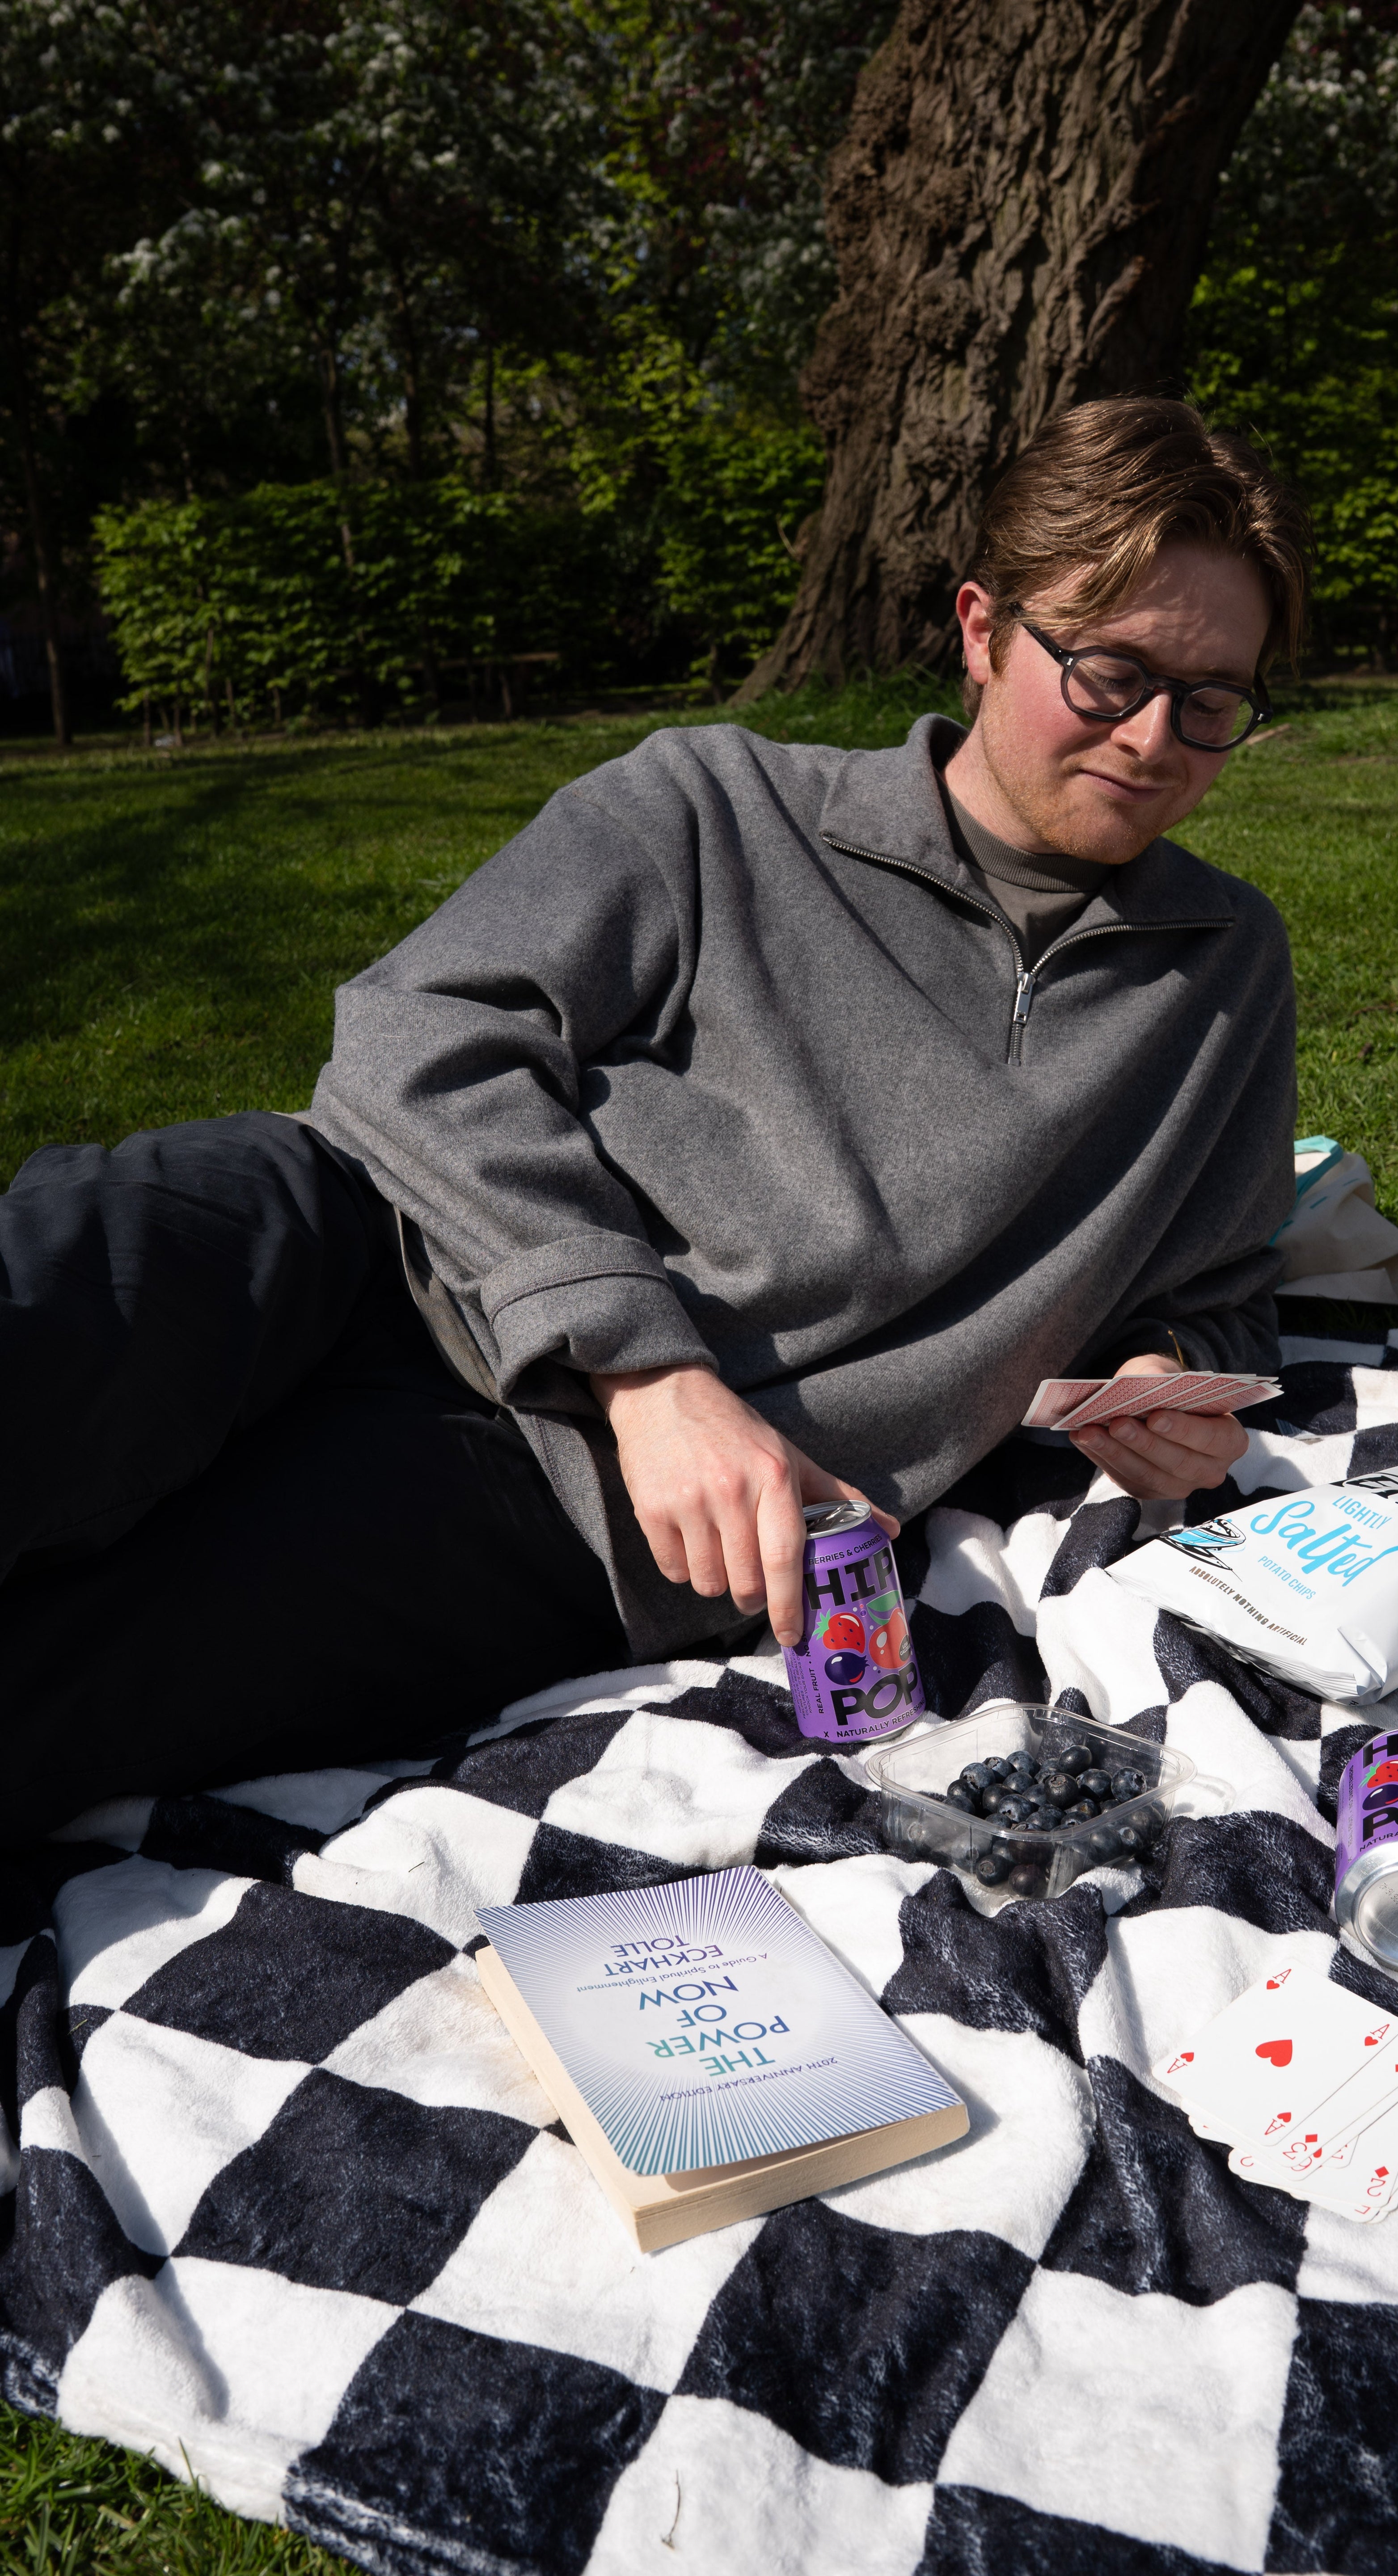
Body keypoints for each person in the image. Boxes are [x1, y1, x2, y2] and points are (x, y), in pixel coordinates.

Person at [0, 396, 1309, 1839]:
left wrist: (1165, 1375)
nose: (1155, 739)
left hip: (570, 1507)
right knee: (78, 1291)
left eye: (1214, 701)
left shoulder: (1224, 974)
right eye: (1112, 671)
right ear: (984, 628)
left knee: (88, 1678)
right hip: (369, 1235)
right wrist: (647, 1365)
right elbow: (419, 1030)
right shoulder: (716, 802)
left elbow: (1224, 1294)